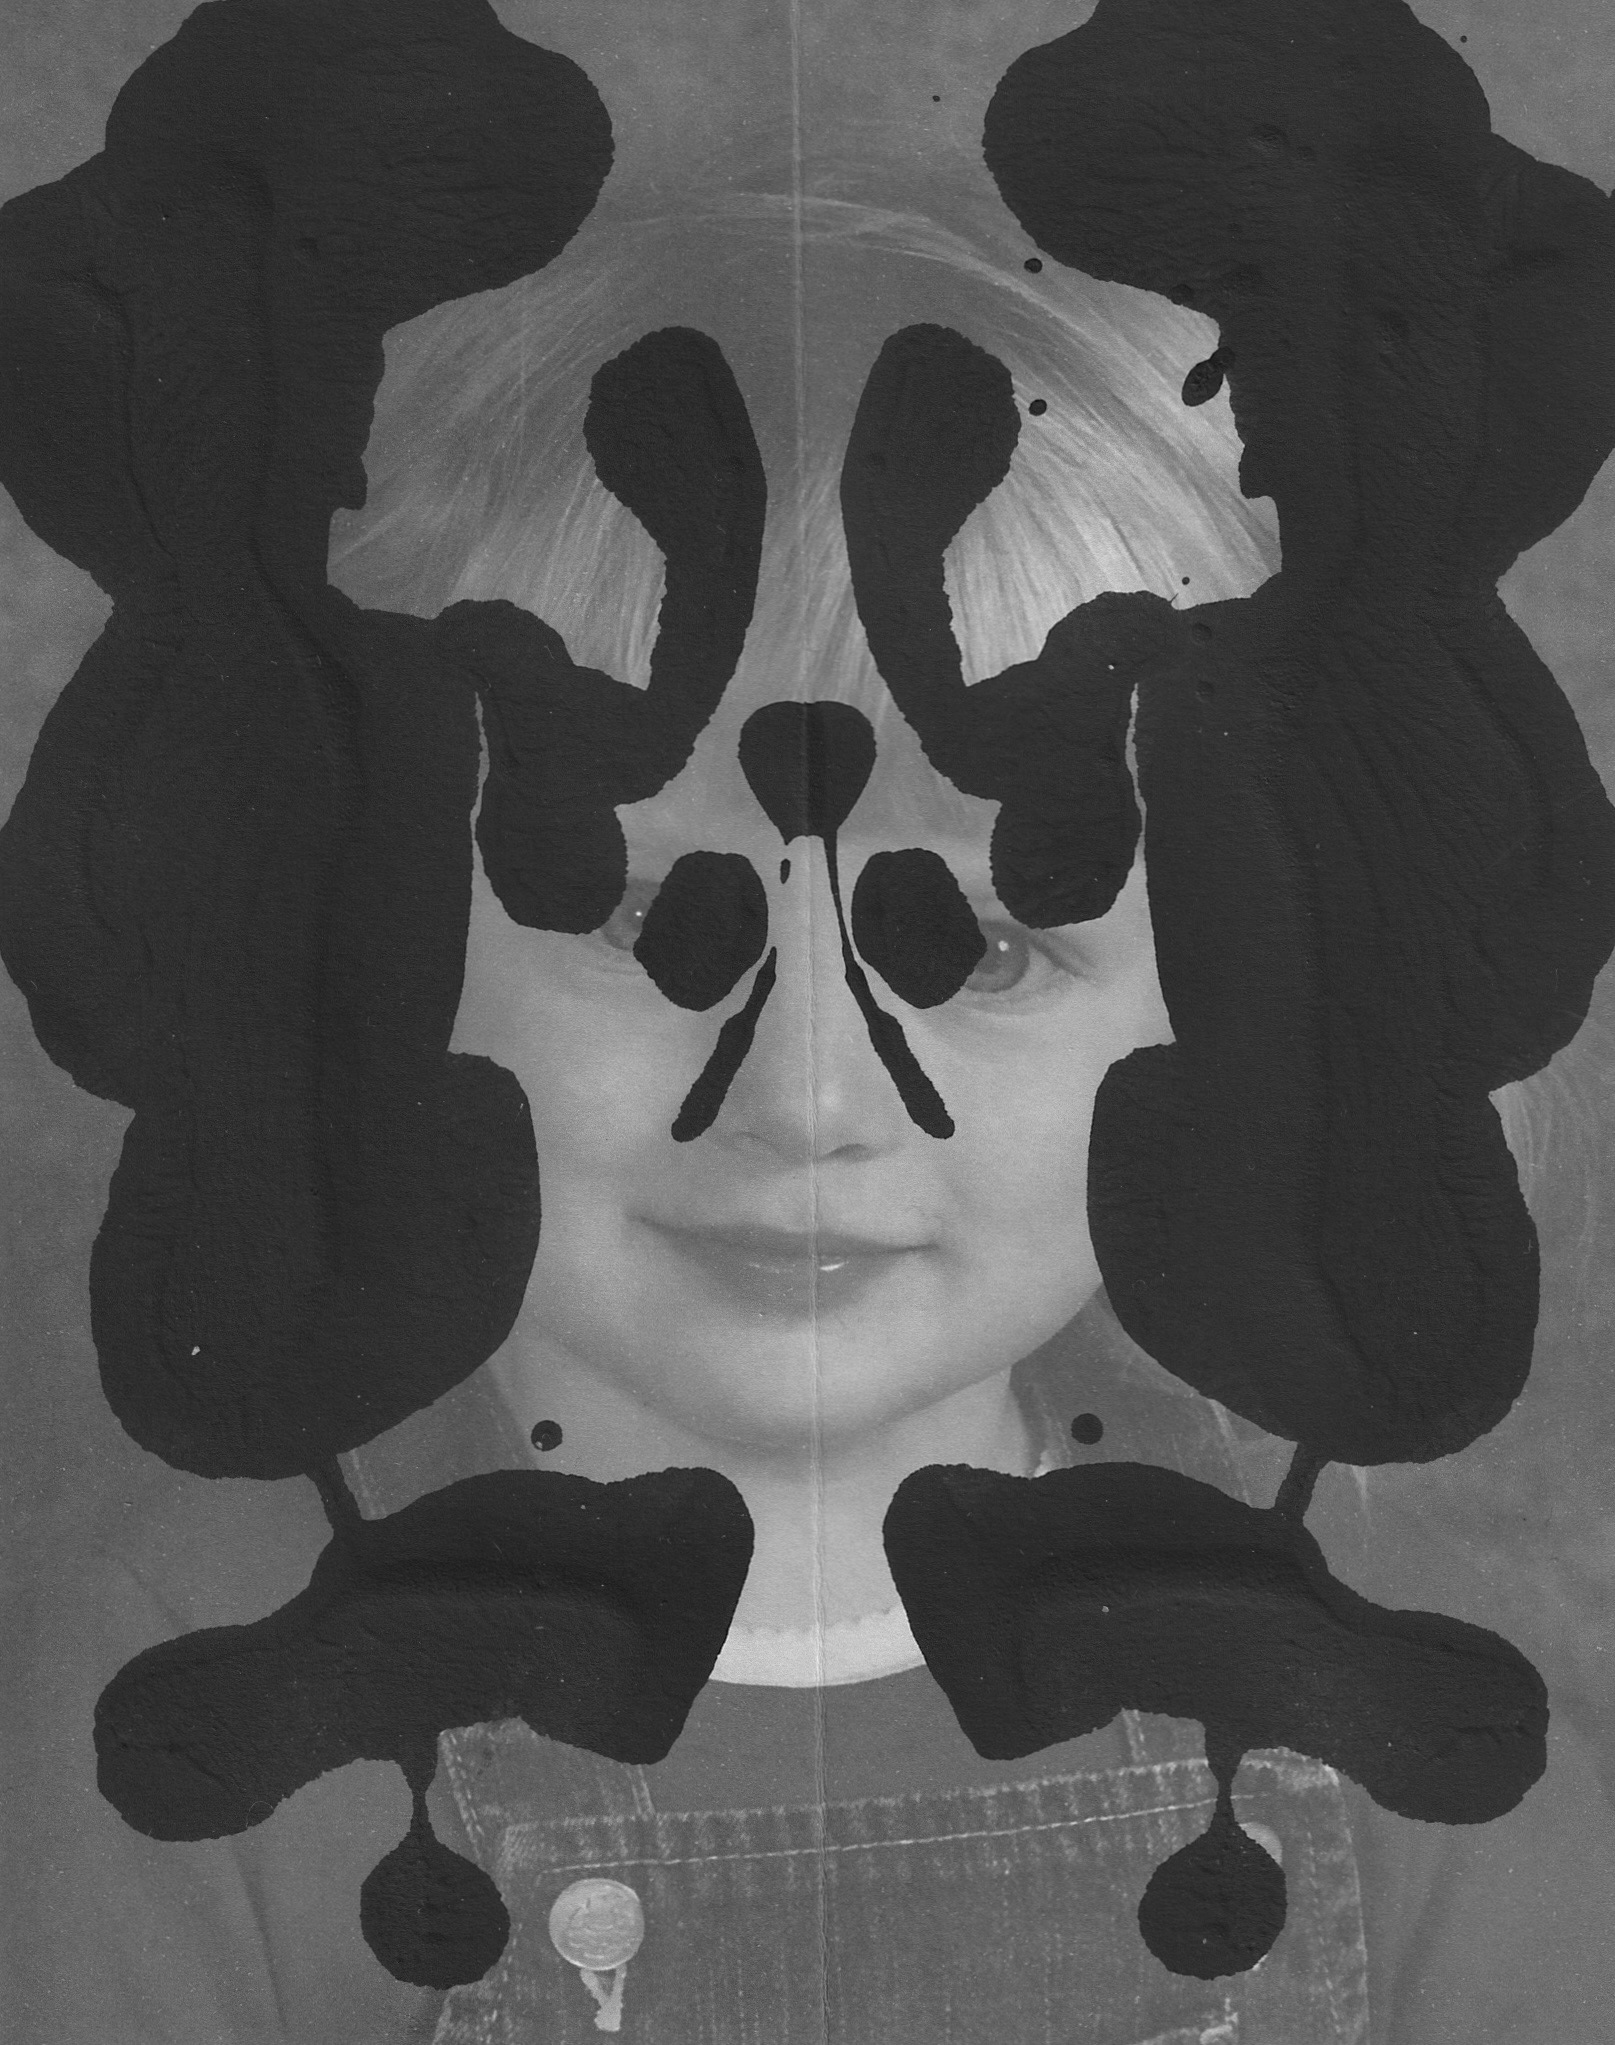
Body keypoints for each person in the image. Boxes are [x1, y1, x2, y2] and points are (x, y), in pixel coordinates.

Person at [13, 186, 1615, 2045]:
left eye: (989, 949)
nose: (807, 1094)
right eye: (644, 922)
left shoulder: (1389, 1678)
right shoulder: (197, 1696)